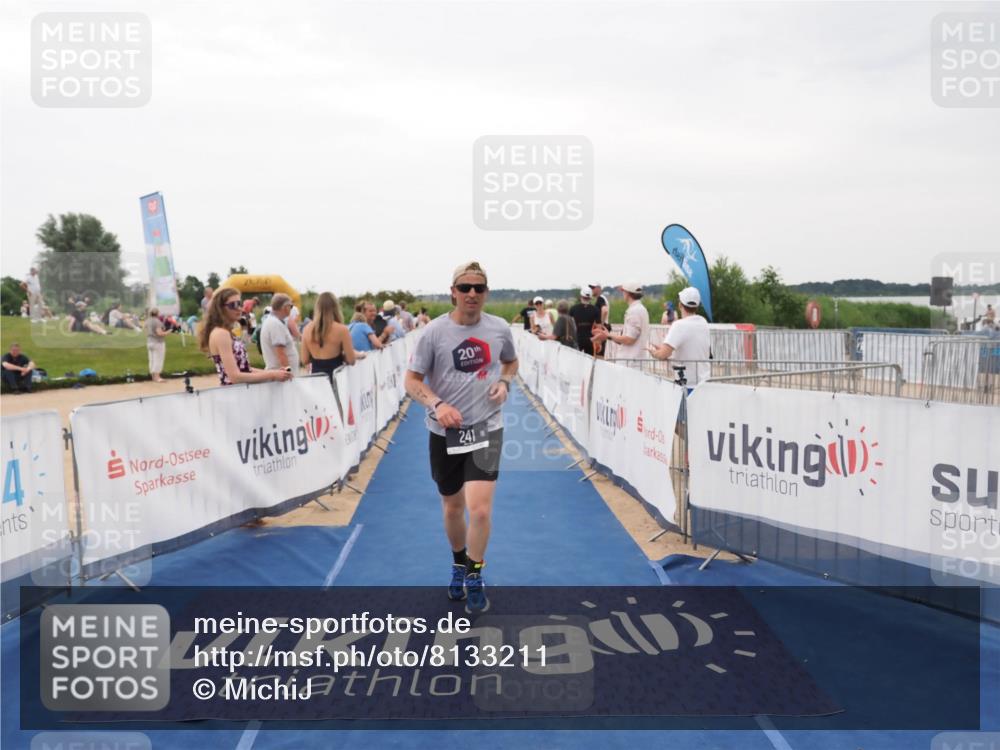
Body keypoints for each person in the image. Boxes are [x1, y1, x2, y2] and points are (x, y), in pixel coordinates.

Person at [404, 261, 518, 614]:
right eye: (465, 288)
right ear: (453, 291)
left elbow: (511, 363)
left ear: (486, 293)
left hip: (486, 427)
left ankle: (474, 572)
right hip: (445, 432)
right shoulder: (433, 333)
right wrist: (437, 404)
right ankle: (457, 562)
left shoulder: (499, 329)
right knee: (453, 507)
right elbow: (411, 381)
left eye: (479, 288)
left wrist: (504, 382)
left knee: (480, 509)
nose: (472, 294)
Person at [200, 287, 292, 386]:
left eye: (239, 303)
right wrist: (272, 375)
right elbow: (235, 377)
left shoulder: (224, 332)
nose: (239, 308)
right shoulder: (221, 334)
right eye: (233, 305)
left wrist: (275, 373)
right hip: (235, 394)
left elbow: (245, 369)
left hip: (239, 392)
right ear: (220, 308)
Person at [648, 286, 711, 387]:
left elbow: (663, 354)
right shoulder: (703, 322)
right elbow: (691, 349)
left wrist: (654, 353)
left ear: (680, 304)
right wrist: (664, 350)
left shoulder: (679, 325)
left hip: (687, 384)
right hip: (704, 383)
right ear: (697, 306)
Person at [301, 291, 356, 378]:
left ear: (317, 307)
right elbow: (351, 360)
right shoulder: (342, 329)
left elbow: (304, 360)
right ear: (336, 307)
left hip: (317, 379)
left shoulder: (306, 329)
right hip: (337, 379)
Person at [591, 281, 649, 359]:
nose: (623, 294)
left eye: (623, 291)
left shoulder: (634, 311)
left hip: (631, 361)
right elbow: (625, 339)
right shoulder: (640, 309)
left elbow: (629, 340)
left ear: (628, 293)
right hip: (634, 360)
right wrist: (608, 335)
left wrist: (608, 335)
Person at [260, 293, 301, 374]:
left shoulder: (274, 321)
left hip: (279, 374)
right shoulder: (275, 324)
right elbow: (281, 353)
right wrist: (288, 372)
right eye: (291, 306)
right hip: (281, 376)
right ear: (285, 307)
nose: (291, 309)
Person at [569, 288, 599, 355]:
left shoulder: (573, 309)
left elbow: (569, 324)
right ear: (590, 297)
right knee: (589, 362)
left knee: (576, 360)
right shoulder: (595, 309)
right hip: (590, 339)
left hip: (577, 339)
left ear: (581, 296)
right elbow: (598, 327)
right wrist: (598, 342)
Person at [145, 308, 168, 382]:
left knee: (151, 359)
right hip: (158, 342)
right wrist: (168, 332)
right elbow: (160, 333)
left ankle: (153, 376)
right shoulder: (157, 322)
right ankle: (157, 377)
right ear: (157, 313)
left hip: (149, 341)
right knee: (158, 359)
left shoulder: (147, 321)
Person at [589, 283, 610, 356]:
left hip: (601, 328)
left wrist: (600, 325)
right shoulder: (601, 298)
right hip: (603, 327)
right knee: (598, 352)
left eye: (593, 288)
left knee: (598, 353)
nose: (591, 290)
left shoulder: (600, 298)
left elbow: (605, 310)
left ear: (598, 288)